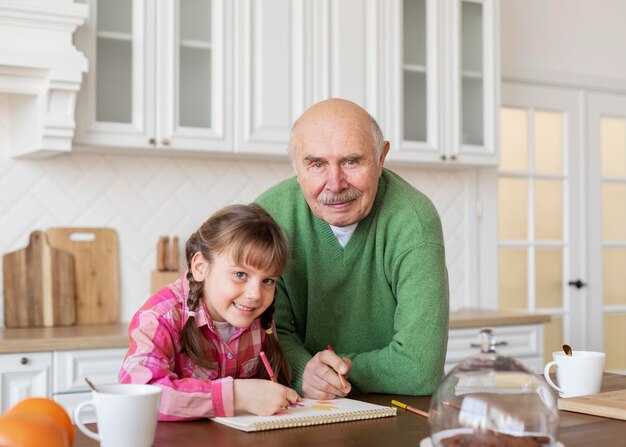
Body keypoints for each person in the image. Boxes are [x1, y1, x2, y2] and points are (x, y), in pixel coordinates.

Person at [256, 98, 449, 400]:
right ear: (296, 165)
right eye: (317, 164)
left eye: (352, 161)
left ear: (381, 157)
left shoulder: (415, 220)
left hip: (390, 409)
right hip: (298, 405)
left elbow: (419, 369)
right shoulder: (269, 216)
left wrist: (330, 372)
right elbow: (263, 337)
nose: (335, 183)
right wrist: (304, 371)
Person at [119, 203, 300, 420]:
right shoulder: (160, 317)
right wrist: (237, 396)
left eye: (268, 280)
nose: (255, 294)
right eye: (240, 275)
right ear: (200, 267)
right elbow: (140, 394)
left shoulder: (258, 316)